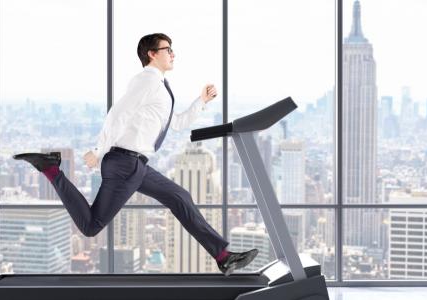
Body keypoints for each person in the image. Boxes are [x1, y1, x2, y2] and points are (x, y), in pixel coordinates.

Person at [13, 33, 258, 276]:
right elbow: (117, 114)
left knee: (179, 197)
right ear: (152, 54)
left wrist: (201, 101)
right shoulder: (147, 81)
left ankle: (223, 257)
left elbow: (177, 123)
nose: (173, 53)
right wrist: (98, 151)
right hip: (125, 164)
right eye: (167, 49)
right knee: (90, 226)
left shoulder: (160, 85)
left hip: (135, 165)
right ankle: (51, 169)